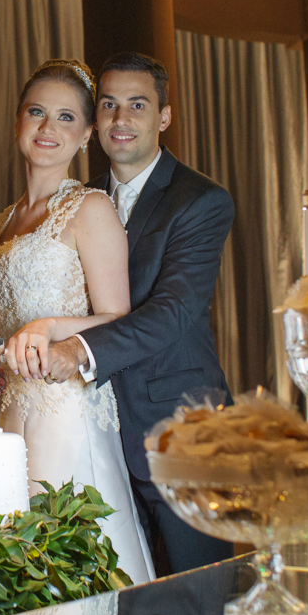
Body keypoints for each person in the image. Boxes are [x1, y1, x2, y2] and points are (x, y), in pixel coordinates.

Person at [36, 52, 236, 575]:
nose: (121, 119)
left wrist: (77, 349)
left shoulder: (200, 200)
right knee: (126, 596)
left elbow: (173, 311)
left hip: (179, 432)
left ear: (164, 117)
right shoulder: (78, 200)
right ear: (95, 120)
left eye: (137, 105)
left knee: (199, 592)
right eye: (109, 105)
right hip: (95, 435)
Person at [0, 59, 155, 584]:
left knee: (60, 562)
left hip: (66, 407)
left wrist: (50, 327)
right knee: (11, 557)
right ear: (18, 121)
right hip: (8, 409)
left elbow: (117, 317)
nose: (47, 128)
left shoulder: (90, 207)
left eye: (66, 117)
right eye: (36, 112)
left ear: (86, 135)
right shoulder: (6, 218)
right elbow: (5, 322)